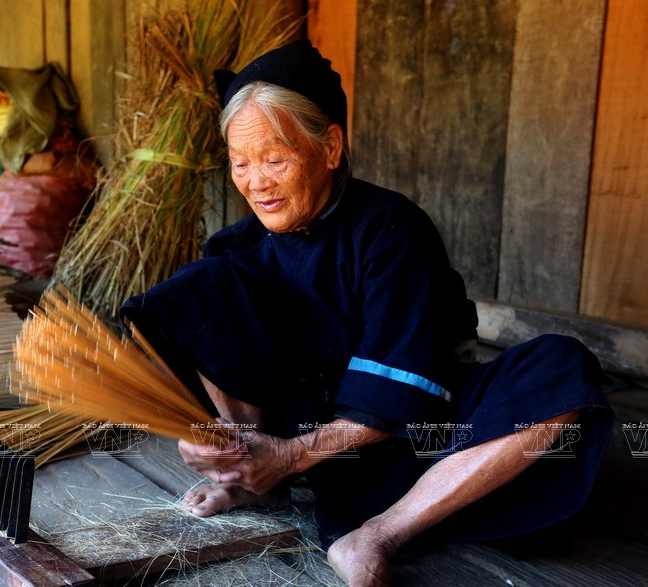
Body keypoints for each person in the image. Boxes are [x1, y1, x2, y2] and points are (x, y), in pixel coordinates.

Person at [119, 39, 612, 585]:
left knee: (561, 366)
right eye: (240, 163)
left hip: (424, 444)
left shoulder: (390, 229)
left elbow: (409, 380)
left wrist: (294, 453)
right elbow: (214, 353)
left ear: (330, 148)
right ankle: (253, 477)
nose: (256, 182)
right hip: (304, 445)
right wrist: (219, 442)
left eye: (275, 159)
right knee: (196, 290)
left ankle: (380, 532)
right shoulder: (236, 248)